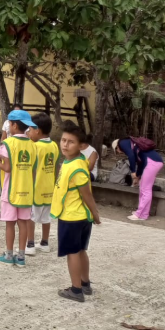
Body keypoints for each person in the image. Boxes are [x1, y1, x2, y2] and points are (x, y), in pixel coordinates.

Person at [51, 121, 101, 302]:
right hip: (78, 216)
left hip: (73, 217)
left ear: (81, 146)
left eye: (70, 142)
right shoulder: (71, 161)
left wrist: (95, 214)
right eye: (63, 140)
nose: (65, 145)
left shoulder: (77, 167)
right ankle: (85, 283)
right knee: (80, 250)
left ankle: (76, 290)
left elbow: (87, 194)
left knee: (73, 253)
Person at [0, 110, 37, 269]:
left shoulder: (7, 144)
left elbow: (7, 168)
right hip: (26, 192)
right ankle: (21, 257)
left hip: (11, 191)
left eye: (9, 124)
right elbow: (33, 169)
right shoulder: (32, 145)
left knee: (10, 224)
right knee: (23, 223)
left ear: (13, 125)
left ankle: (8, 255)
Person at [26, 112, 59, 255]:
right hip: (49, 188)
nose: (28, 132)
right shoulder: (54, 146)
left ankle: (30, 244)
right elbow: (56, 167)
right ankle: (45, 243)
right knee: (46, 218)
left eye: (30, 129)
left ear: (37, 131)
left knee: (30, 217)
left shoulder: (34, 147)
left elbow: (32, 169)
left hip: (36, 188)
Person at [112, 137, 163, 221]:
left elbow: (131, 156)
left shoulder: (122, 143)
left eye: (117, 150)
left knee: (146, 190)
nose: (119, 152)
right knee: (143, 188)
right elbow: (140, 164)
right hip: (152, 162)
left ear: (117, 146)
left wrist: (133, 171)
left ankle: (138, 214)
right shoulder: (134, 147)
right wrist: (138, 177)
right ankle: (144, 214)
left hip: (152, 163)